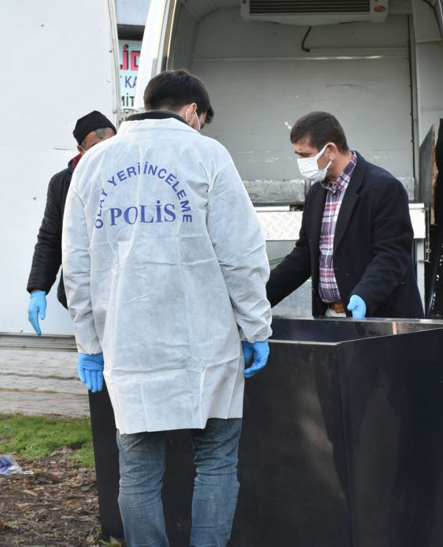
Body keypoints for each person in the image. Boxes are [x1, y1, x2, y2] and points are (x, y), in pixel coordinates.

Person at [62, 69, 272, 546]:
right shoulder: (207, 154)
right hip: (206, 340)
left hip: (129, 343)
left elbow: (75, 264)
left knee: (137, 470)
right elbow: (240, 254)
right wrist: (256, 328)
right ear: (193, 111)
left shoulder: (94, 164)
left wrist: (88, 343)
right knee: (216, 460)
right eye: (203, 119)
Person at [266, 111, 423, 319]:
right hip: (330, 317)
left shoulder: (383, 188)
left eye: (305, 155)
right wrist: (259, 298)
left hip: (376, 320)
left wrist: (365, 296)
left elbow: (392, 254)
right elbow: (304, 255)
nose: (300, 162)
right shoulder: (316, 193)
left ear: (330, 150)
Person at [26, 111, 116, 335]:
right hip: (84, 287)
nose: (106, 152)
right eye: (96, 147)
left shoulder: (131, 175)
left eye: (112, 144)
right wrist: (38, 288)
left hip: (122, 287)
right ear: (81, 150)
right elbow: (50, 238)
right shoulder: (63, 183)